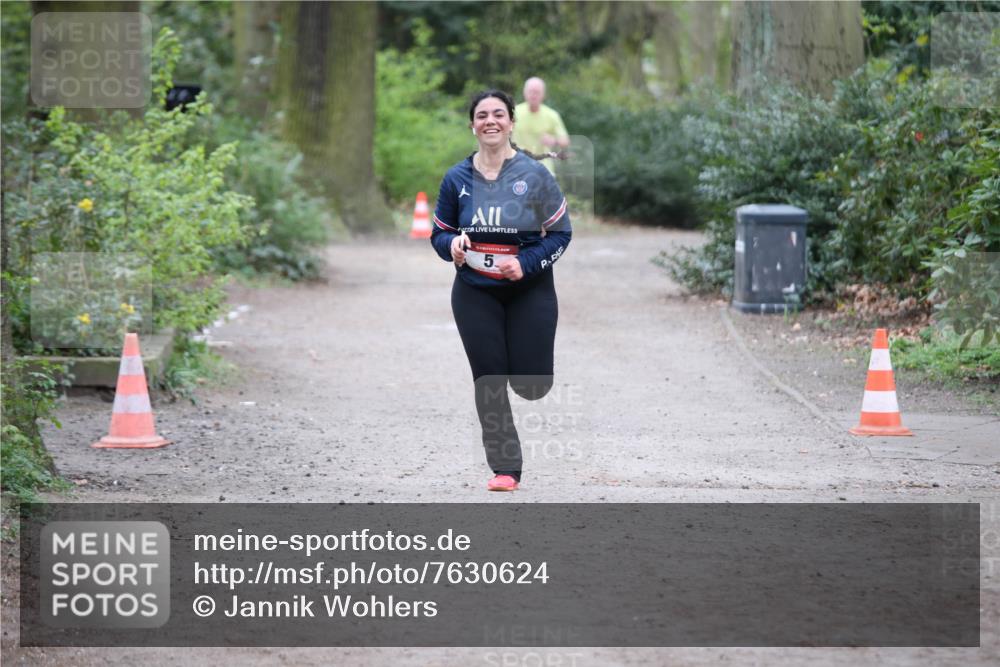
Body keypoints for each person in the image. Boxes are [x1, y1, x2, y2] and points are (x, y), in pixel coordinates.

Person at [430, 89, 572, 492]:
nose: (489, 121)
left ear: (511, 122)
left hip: (530, 289)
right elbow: (439, 235)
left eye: (497, 114)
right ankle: (506, 469)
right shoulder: (456, 179)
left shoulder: (533, 175)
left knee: (531, 384)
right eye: (481, 115)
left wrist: (523, 264)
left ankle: (526, 375)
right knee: (488, 378)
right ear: (472, 125)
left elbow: (562, 235)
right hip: (475, 291)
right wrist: (452, 247)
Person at [513, 77, 570, 175]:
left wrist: (554, 140)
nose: (533, 95)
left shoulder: (552, 115)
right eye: (530, 91)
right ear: (524, 92)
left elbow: (565, 141)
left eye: (537, 92)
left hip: (543, 166)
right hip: (516, 164)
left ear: (544, 94)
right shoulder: (514, 112)